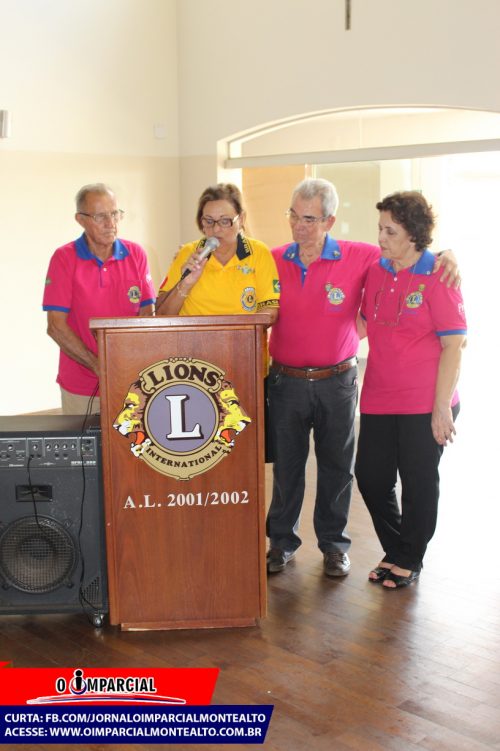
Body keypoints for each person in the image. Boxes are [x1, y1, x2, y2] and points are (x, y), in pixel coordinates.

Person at [266, 178, 459, 578]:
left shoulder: (368, 258)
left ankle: (354, 550)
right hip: (304, 384)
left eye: (309, 218)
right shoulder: (280, 259)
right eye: (293, 216)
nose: (299, 226)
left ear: (329, 221)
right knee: (310, 470)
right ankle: (287, 543)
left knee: (351, 471)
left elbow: (414, 258)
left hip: (356, 386)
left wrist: (447, 255)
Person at [354, 191, 467, 588]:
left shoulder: (439, 274)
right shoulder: (376, 270)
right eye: (380, 229)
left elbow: (454, 345)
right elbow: (362, 323)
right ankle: (399, 547)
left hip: (426, 400)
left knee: (418, 482)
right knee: (371, 478)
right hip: (379, 396)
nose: (381, 238)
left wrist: (442, 407)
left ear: (414, 234)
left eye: (391, 231)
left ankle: (409, 557)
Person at [43, 183, 155, 415]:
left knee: (132, 439)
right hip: (82, 388)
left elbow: (147, 316)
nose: (110, 223)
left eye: (114, 214)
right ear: (80, 220)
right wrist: (99, 366)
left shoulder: (136, 254)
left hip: (132, 382)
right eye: (100, 216)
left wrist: (129, 367)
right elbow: (56, 327)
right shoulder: (64, 258)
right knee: (84, 441)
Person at [155, 183, 279, 323]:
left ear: (241, 219)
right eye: (209, 221)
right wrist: (185, 284)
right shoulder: (188, 253)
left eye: (224, 221)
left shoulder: (259, 252)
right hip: (193, 337)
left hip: (243, 336)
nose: (216, 229)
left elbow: (270, 312)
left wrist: (237, 332)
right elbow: (161, 315)